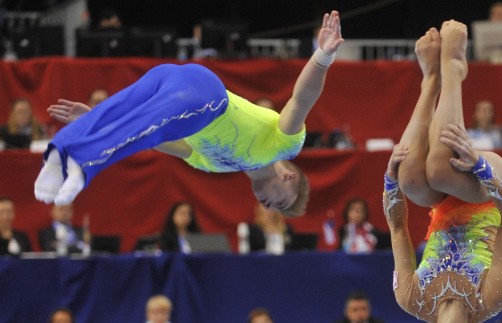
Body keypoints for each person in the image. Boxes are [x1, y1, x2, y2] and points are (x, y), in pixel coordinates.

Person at [34, 11, 345, 219]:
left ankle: (61, 150)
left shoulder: (215, 165)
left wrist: (95, 119)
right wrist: (323, 56)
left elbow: (156, 142)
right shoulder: (283, 145)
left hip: (169, 82)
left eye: (275, 209)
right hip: (207, 95)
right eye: (281, 202)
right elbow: (301, 99)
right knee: (150, 129)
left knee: (145, 129)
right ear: (289, 177)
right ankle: (81, 165)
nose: (269, 207)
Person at [383, 21, 502, 323]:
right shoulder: (492, 298)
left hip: (444, 206)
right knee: (441, 170)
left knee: (413, 180)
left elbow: (398, 228)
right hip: (491, 195)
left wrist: (389, 177)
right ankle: (454, 67)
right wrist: (480, 165)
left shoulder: (410, 299)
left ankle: (429, 77)